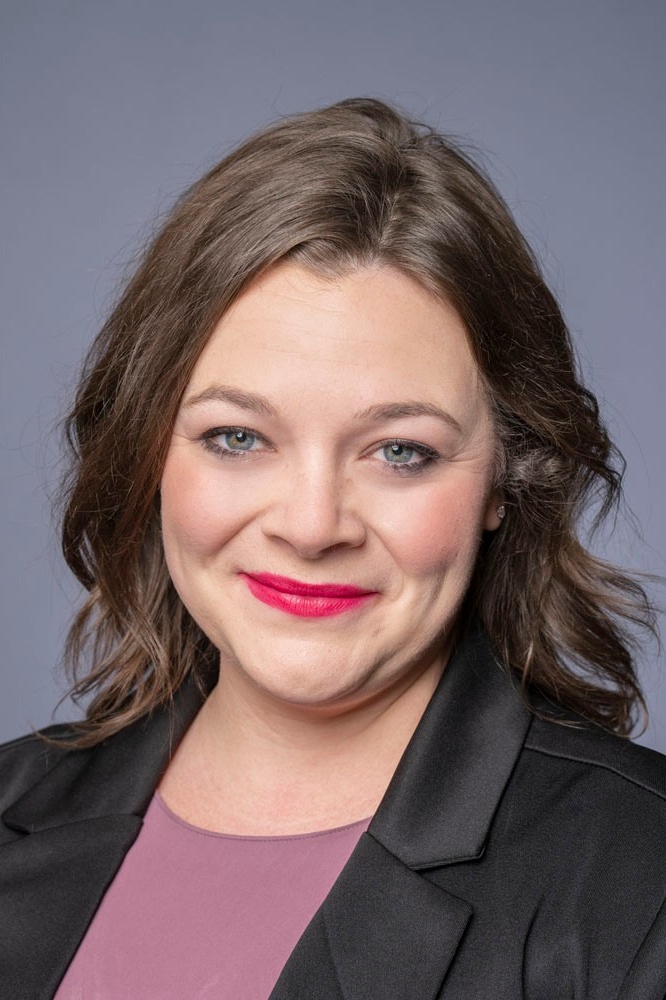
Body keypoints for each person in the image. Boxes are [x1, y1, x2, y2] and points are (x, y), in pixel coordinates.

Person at [1, 97, 665, 1000]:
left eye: (401, 452)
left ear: (505, 480)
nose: (313, 527)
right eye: (238, 437)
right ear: (149, 452)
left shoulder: (642, 884)